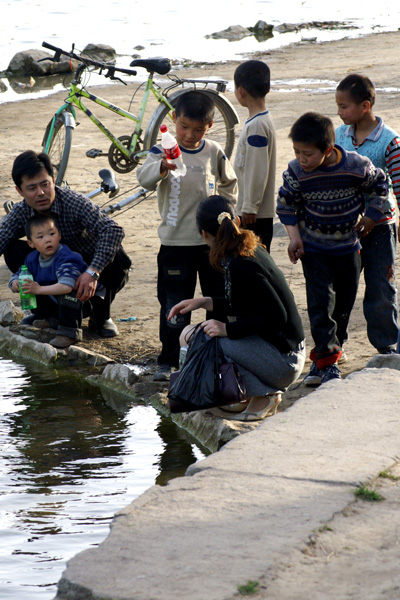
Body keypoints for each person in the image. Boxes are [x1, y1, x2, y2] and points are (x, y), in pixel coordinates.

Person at [168, 195, 305, 421]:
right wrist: (203, 301)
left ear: (203, 234)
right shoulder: (246, 249)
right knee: (191, 335)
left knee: (196, 340)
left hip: (285, 362)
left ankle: (263, 394)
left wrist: (226, 330)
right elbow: (249, 305)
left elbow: (276, 316)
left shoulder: (241, 264)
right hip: (283, 352)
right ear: (238, 221)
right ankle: (251, 395)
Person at [276, 112, 389, 386]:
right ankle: (324, 363)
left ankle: (334, 350)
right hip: (314, 248)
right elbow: (285, 205)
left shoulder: (356, 165)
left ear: (328, 150)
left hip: (348, 247)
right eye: (297, 152)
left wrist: (372, 215)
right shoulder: (295, 172)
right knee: (320, 303)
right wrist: (295, 237)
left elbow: (379, 185)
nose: (302, 159)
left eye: (308, 154)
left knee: (344, 303)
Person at [137, 91, 238, 381]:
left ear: (209, 126)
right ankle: (168, 359)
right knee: (175, 304)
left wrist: (229, 213)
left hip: (211, 245)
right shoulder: (162, 152)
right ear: (173, 121)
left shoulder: (214, 150)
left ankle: (212, 355)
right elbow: (143, 180)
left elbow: (230, 183)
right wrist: (161, 168)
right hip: (174, 244)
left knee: (216, 299)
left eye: (197, 129)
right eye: (183, 127)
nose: (190, 135)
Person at [1, 150, 131, 338]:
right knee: (12, 250)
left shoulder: (73, 202)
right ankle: (45, 313)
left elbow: (113, 230)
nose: (41, 193)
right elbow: (1, 237)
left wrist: (92, 271)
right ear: (19, 191)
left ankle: (100, 316)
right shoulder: (21, 211)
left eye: (45, 184)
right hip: (50, 271)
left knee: (117, 257)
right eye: (32, 188)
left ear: (53, 181)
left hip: (85, 268)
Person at [335, 73, 400, 355]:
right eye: (337, 106)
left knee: (380, 288)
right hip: (344, 228)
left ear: (365, 106)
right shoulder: (338, 136)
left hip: (381, 228)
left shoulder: (389, 141)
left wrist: (379, 216)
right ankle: (333, 348)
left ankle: (386, 345)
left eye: (344, 106)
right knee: (341, 290)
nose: (339, 112)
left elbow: (396, 185)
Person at [9, 214, 101, 348]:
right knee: (29, 283)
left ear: (59, 236)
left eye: (51, 234)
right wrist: (15, 282)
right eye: (40, 237)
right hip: (55, 298)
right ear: (31, 243)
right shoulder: (32, 258)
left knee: (67, 294)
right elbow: (20, 272)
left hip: (84, 300)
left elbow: (67, 286)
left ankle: (69, 332)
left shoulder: (66, 257)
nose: (47, 240)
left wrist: (39, 289)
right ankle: (47, 318)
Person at [233, 59, 276, 251]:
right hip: (254, 211)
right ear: (267, 88)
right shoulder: (259, 120)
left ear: (240, 91)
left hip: (254, 215)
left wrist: (250, 206)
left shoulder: (257, 126)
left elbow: (257, 168)